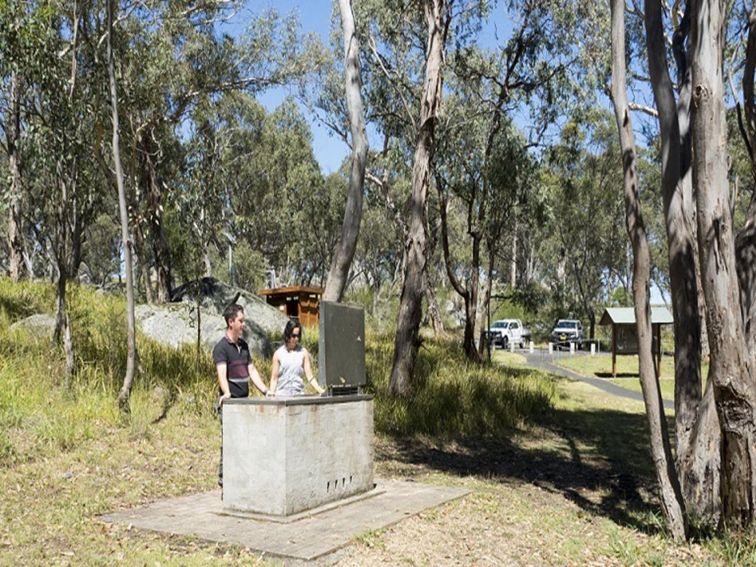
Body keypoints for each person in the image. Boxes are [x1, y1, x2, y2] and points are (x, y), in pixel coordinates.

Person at [213, 303, 269, 488]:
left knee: (247, 441)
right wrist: (227, 393)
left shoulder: (244, 345)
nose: (243, 324)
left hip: (245, 402)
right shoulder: (221, 347)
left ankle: (244, 478)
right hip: (231, 404)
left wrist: (265, 390)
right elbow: (222, 373)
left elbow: (251, 369)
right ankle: (224, 480)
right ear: (231, 322)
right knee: (230, 442)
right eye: (241, 320)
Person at [269, 319, 325, 397]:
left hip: (298, 395)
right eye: (294, 336)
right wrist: (271, 393)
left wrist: (320, 390)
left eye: (298, 336)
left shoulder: (303, 352)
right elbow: (274, 378)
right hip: (282, 396)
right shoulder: (278, 354)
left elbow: (310, 376)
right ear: (287, 334)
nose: (296, 339)